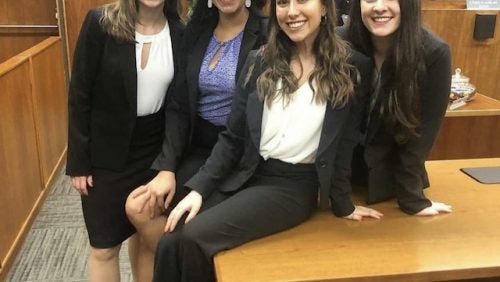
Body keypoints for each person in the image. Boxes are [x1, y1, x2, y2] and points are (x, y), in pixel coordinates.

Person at [152, 0, 382, 280]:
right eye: (283, 3)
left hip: (291, 185)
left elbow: (346, 142)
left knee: (192, 237)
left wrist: (342, 203)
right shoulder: (260, 60)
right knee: (170, 240)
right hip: (247, 172)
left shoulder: (352, 67)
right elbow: (232, 138)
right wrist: (199, 189)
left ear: (324, 8)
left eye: (303, 1)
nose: (292, 11)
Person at [124, 0, 268, 281]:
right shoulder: (196, 30)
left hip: (239, 155)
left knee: (183, 233)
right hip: (196, 148)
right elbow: (178, 106)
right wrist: (166, 167)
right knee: (138, 208)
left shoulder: (265, 33)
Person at [66, 0, 182, 280]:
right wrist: (79, 161)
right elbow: (79, 92)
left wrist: (169, 161)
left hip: (153, 153)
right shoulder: (101, 22)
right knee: (105, 247)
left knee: (144, 237)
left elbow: (179, 105)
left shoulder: (180, 33)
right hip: (104, 154)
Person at [344, 0, 453, 215]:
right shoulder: (339, 43)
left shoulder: (434, 53)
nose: (379, 6)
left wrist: (413, 200)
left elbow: (422, 134)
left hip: (390, 180)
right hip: (342, 181)